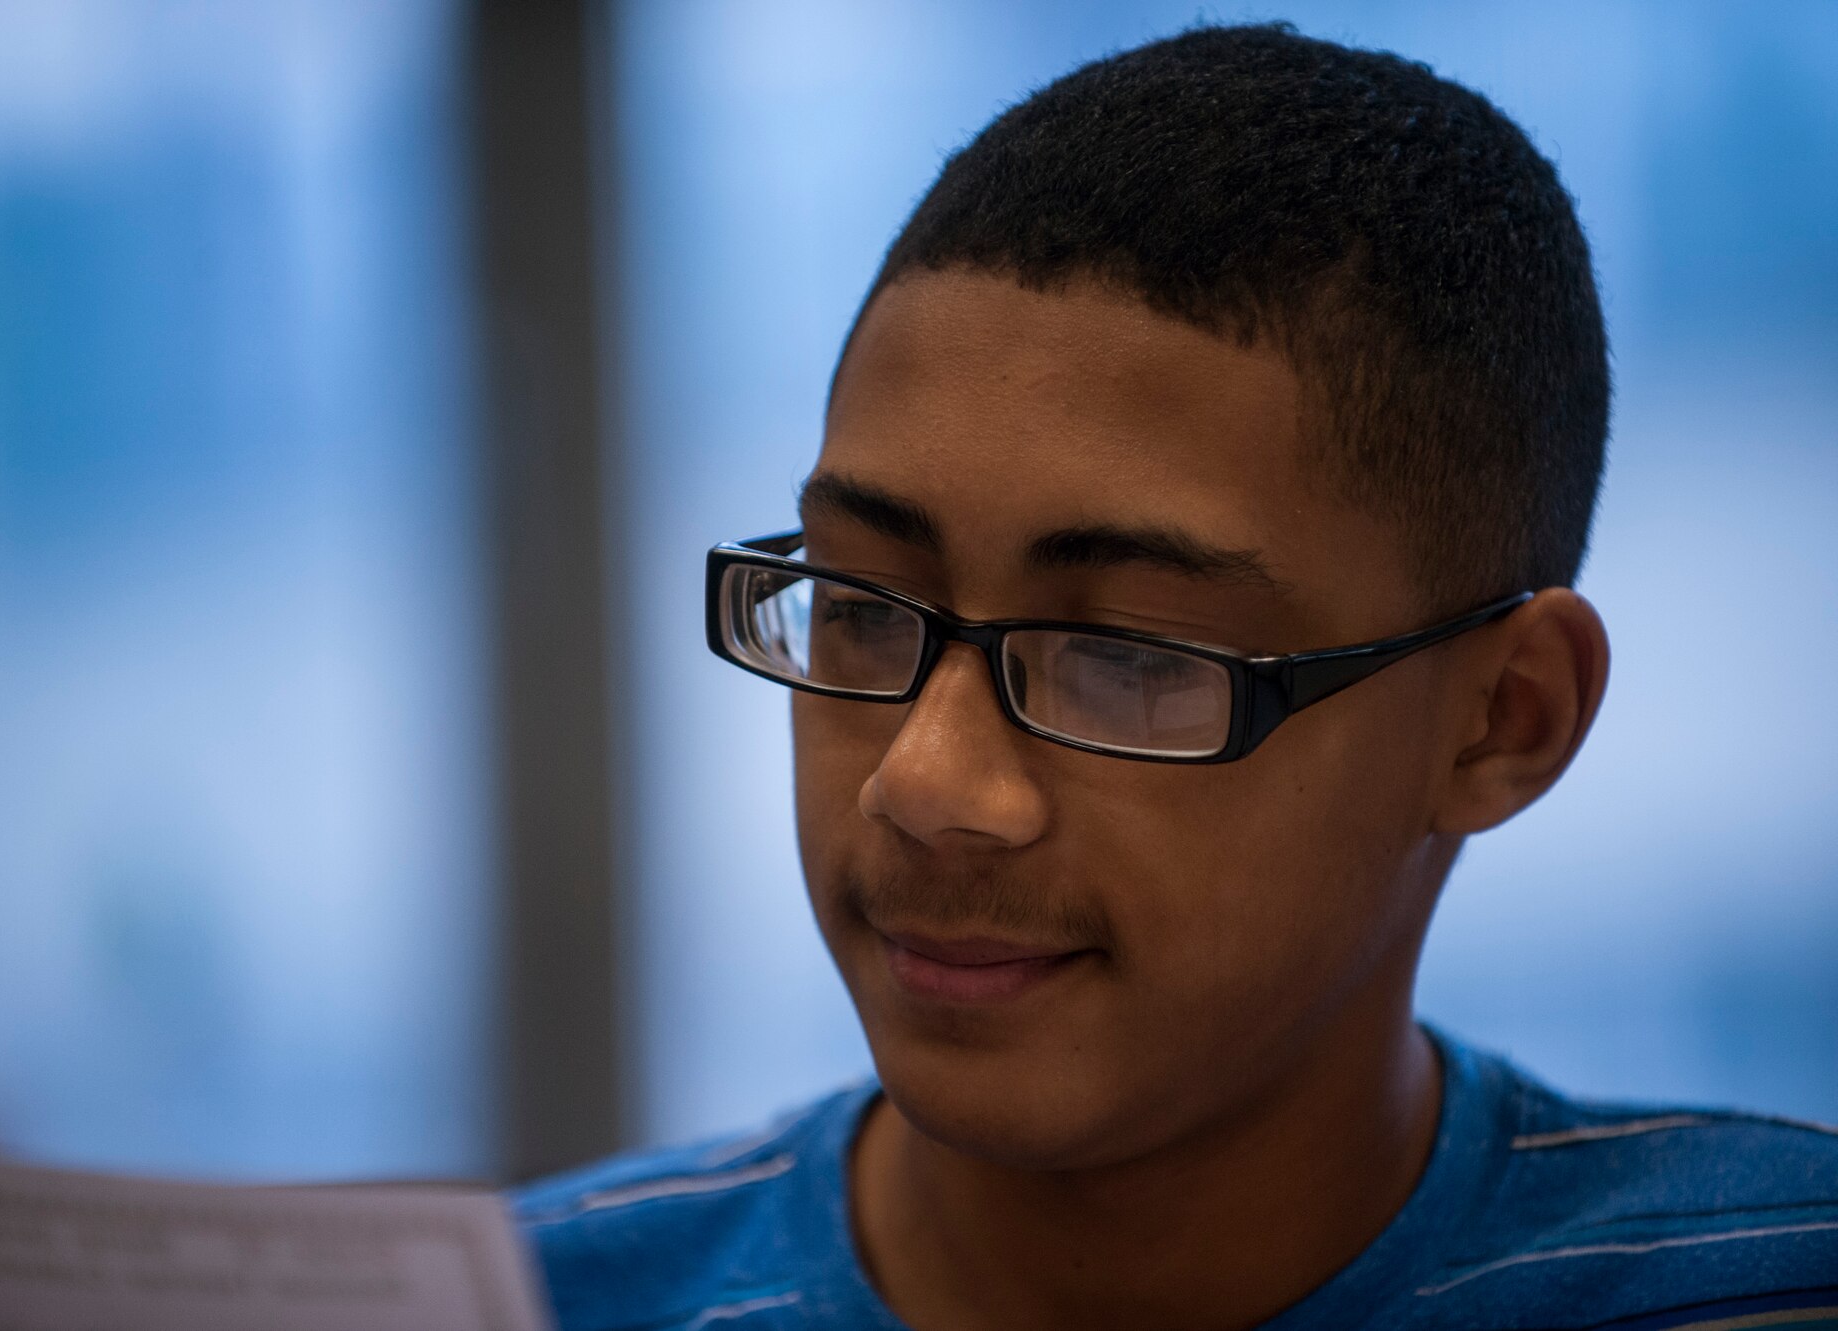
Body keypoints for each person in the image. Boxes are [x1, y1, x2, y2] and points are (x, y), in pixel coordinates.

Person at [515, 23, 1838, 1331]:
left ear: (1507, 719)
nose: (926, 785)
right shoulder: (528, 1304)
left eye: (1125, 658)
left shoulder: (1773, 1282)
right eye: (866, 611)